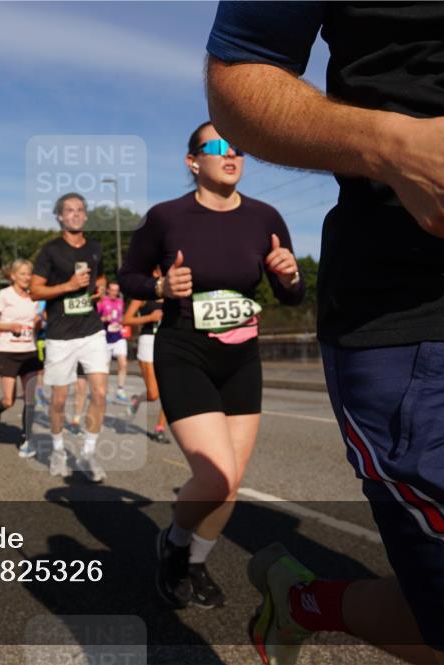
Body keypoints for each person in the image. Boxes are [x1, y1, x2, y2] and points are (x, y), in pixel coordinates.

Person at [205, 4, 444, 665]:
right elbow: (239, 73)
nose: (225, 160)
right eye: (213, 154)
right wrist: (391, 147)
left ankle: (307, 602)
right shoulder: (181, 222)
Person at [119, 120, 304, 610]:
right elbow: (128, 277)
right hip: (185, 352)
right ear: (192, 161)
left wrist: (290, 276)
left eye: (238, 147)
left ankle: (196, 562)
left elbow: (291, 293)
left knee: (231, 484)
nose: (231, 154)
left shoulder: (265, 217)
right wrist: (160, 287)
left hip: (242, 357)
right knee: (216, 476)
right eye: (217, 146)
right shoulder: (166, 217)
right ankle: (175, 543)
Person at [31, 192, 110, 482]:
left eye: (80, 210)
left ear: (85, 216)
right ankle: (58, 450)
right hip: (60, 335)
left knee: (100, 393)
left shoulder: (95, 248)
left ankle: (88, 453)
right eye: (69, 210)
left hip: (92, 330)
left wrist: (100, 288)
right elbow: (35, 291)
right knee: (59, 400)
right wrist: (68, 286)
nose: (75, 214)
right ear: (60, 217)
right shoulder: (50, 251)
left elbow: (100, 278)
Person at [0, 259, 44, 456]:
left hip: (30, 351)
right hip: (8, 352)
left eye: (29, 274)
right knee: (9, 400)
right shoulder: (4, 295)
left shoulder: (34, 296)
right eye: (23, 274)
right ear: (13, 276)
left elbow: (36, 323)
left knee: (30, 399)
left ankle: (27, 440)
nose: (27, 277)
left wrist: (38, 323)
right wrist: (8, 326)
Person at [122, 268, 170, 443]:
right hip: (148, 341)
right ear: (155, 273)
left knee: (170, 391)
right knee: (154, 393)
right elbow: (126, 319)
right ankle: (137, 400)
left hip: (168, 342)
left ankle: (160, 429)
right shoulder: (143, 294)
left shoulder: (173, 295)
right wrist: (149, 318)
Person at [97, 281, 129, 402]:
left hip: (118, 336)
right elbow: (95, 319)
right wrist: (104, 318)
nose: (114, 293)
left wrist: (121, 322)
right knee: (105, 366)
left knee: (123, 363)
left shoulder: (120, 302)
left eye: (117, 290)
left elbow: (121, 316)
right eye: (112, 290)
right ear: (108, 290)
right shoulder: (102, 302)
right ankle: (104, 391)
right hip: (105, 338)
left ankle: (120, 390)